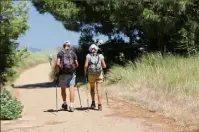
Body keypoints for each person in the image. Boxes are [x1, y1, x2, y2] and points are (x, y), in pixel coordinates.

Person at [56, 41, 78, 112]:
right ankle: (71, 106)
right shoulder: (73, 53)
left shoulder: (60, 53)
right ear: (69, 46)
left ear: (63, 46)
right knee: (71, 89)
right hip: (71, 73)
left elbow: (57, 63)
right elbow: (76, 64)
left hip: (62, 73)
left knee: (63, 89)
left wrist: (59, 69)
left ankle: (65, 103)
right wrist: (74, 68)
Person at [84, 44, 106, 111]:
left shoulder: (88, 56)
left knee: (92, 88)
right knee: (99, 89)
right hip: (99, 74)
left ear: (90, 50)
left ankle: (93, 102)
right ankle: (100, 105)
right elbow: (104, 66)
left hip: (91, 75)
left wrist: (85, 72)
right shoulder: (100, 55)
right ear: (96, 49)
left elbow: (85, 66)